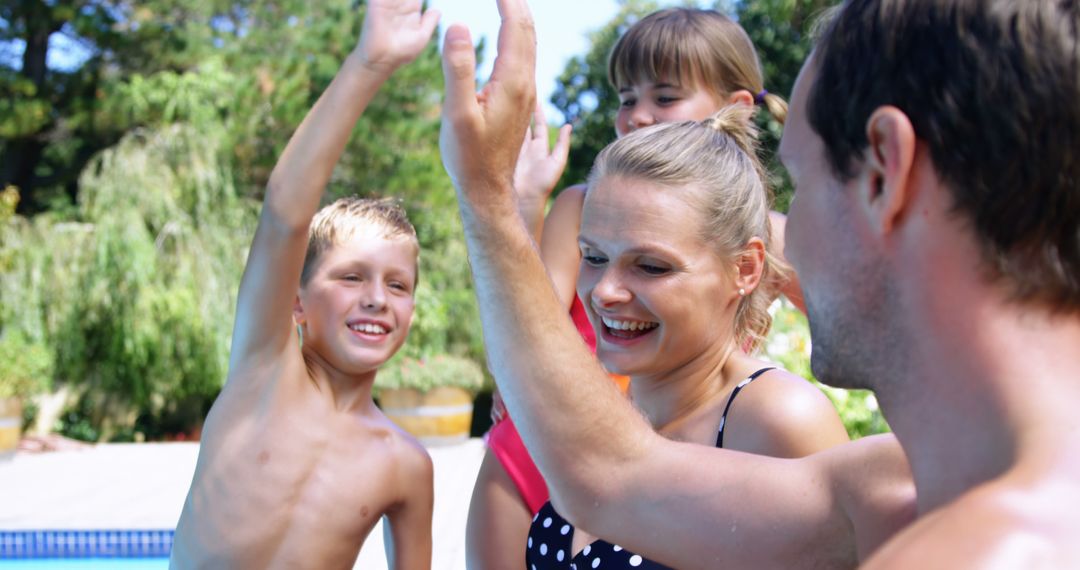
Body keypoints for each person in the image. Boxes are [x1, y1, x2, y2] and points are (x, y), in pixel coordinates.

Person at [440, 0, 1080, 567]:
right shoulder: (905, 484)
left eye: (803, 180)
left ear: (886, 169)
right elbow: (612, 477)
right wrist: (494, 200)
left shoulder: (974, 540)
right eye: (595, 258)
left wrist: (487, 196)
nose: (787, 232)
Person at [467, 12, 812, 566]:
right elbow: (527, 329)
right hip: (545, 446)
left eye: (652, 266)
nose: (640, 115)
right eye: (627, 98)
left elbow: (863, 337)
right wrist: (519, 204)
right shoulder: (584, 203)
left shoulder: (769, 415)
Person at [170, 2, 439, 568]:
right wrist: (369, 64)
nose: (376, 298)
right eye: (351, 277)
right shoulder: (263, 372)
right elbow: (285, 215)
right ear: (296, 300)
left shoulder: (405, 466)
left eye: (398, 285)